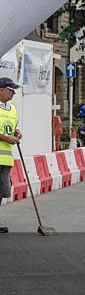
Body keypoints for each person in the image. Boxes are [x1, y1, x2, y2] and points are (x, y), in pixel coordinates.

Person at [0, 77, 22, 233]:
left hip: (6, 158)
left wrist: (17, 133)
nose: (13, 93)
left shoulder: (13, 110)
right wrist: (6, 138)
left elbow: (12, 128)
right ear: (1, 90)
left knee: (2, 191)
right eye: (10, 90)